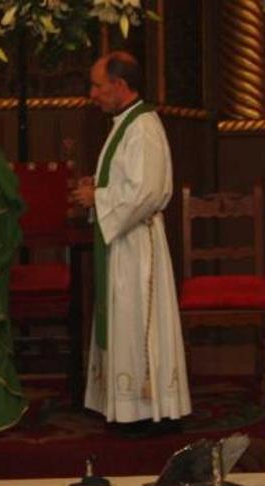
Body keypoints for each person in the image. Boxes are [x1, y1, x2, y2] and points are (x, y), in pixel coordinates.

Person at [71, 51, 191, 433]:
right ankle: (126, 406)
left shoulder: (143, 127)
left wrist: (99, 199)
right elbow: (127, 182)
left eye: (97, 85)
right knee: (123, 317)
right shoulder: (125, 123)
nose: (92, 93)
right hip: (124, 239)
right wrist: (100, 189)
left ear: (120, 85)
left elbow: (147, 192)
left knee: (139, 320)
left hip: (138, 244)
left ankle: (147, 408)